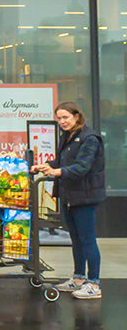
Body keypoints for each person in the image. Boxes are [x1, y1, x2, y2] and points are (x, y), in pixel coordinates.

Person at [33, 101, 105, 299]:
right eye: (59, 118)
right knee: (75, 239)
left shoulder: (90, 138)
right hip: (68, 195)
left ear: (76, 116)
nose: (62, 121)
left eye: (65, 117)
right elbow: (62, 162)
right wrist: (43, 166)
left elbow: (82, 167)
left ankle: (94, 284)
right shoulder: (67, 136)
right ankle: (79, 278)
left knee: (88, 240)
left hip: (85, 196)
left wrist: (56, 171)